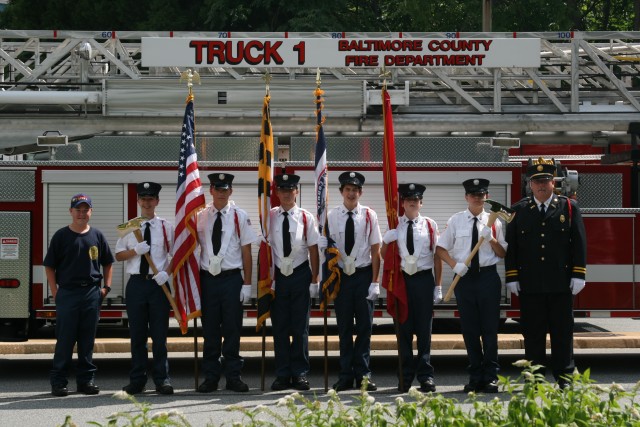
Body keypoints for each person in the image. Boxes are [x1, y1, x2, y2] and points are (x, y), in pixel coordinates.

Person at [505, 158, 587, 388]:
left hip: (561, 284)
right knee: (533, 333)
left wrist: (578, 273)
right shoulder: (519, 210)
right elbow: (512, 247)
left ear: (554, 183)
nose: (541, 185)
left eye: (546, 181)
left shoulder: (569, 207)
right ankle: (536, 377)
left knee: (562, 332)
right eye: (536, 181)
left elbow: (579, 243)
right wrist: (512, 276)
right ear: (530, 185)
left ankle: (565, 377)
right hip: (531, 285)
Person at [436, 179, 507, 393]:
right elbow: (440, 248)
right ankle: (475, 375)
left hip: (488, 278)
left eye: (481, 194)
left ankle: (491, 376)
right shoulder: (456, 220)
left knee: (490, 330)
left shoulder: (495, 221)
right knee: (469, 329)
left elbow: (502, 253)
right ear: (466, 197)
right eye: (473, 194)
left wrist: (492, 239)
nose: (477, 197)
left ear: (487, 196)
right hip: (464, 278)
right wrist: (454, 264)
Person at [44, 193, 115, 397]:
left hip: (92, 293)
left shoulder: (97, 236)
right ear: (71, 212)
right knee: (65, 340)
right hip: (68, 293)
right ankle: (59, 382)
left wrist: (106, 288)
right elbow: (49, 266)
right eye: (78, 210)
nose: (82, 213)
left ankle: (86, 381)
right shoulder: (61, 236)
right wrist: (56, 293)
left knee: (87, 340)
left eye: (86, 210)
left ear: (91, 212)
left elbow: (108, 263)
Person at [320, 171, 382, 392]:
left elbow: (376, 250)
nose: (351, 193)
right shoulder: (332, 216)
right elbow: (327, 250)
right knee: (344, 328)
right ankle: (345, 375)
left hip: (363, 276)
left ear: (360, 192)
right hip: (341, 279)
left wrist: (375, 281)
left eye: (355, 190)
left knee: (364, 328)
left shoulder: (369, 216)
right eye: (347, 189)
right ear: (341, 192)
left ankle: (363, 375)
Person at [195, 173, 257, 393]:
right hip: (208, 281)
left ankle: (233, 376)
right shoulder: (200, 216)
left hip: (231, 279)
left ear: (231, 191)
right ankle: (211, 377)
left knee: (232, 330)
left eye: (225, 189)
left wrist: (247, 284)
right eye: (217, 189)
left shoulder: (240, 216)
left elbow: (247, 252)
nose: (221, 193)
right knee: (210, 331)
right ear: (210, 190)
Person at [381, 183, 442, 393]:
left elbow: (437, 257)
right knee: (403, 331)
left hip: (424, 281)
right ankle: (405, 376)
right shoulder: (394, 225)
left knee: (424, 331)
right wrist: (386, 242)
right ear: (402, 203)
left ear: (421, 203)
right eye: (408, 200)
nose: (412, 203)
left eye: (416, 200)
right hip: (402, 282)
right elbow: (383, 256)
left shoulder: (430, 225)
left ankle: (426, 376)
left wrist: (438, 286)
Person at [115, 182, 174, 395]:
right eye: (143, 199)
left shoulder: (167, 227)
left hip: (158, 284)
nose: (147, 203)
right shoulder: (128, 227)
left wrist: (166, 273)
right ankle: (137, 380)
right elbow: (118, 255)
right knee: (137, 336)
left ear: (157, 201)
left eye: (151, 199)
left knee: (160, 337)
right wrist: (135, 251)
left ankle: (162, 379)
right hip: (137, 284)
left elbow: (175, 256)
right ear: (138, 201)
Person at [268, 173, 320, 391]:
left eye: (291, 190)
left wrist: (315, 279)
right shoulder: (268, 216)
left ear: (297, 191)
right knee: (279, 328)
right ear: (277, 192)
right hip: (278, 276)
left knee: (300, 328)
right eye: (283, 190)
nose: (287, 194)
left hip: (300, 275)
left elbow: (314, 250)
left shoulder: (307, 217)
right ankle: (282, 374)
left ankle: (299, 373)